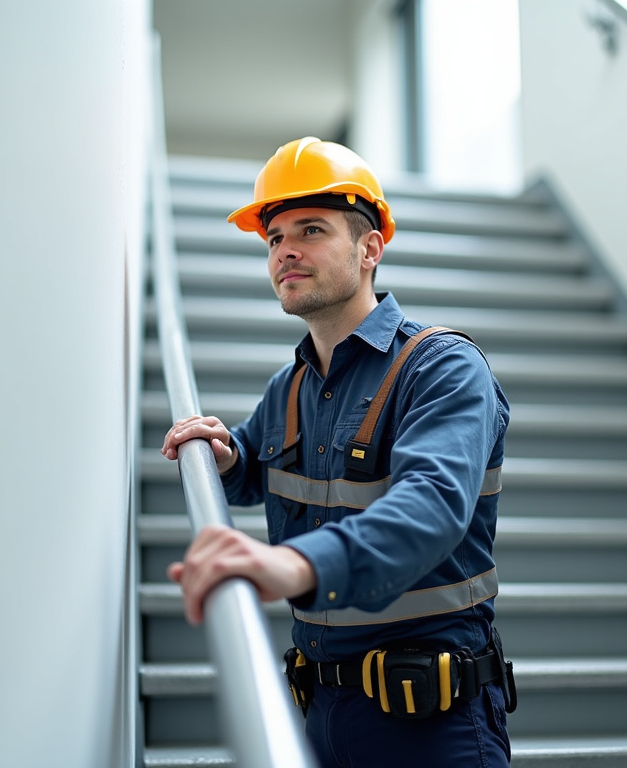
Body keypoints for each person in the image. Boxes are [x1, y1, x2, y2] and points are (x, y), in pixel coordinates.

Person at [160, 137, 512, 768]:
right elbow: (261, 470)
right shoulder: (291, 385)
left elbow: (430, 508)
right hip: (319, 713)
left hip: (432, 726)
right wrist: (228, 456)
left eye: (311, 230)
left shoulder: (441, 368)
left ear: (369, 248)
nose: (285, 250)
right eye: (274, 238)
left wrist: (292, 565)